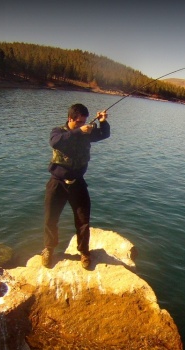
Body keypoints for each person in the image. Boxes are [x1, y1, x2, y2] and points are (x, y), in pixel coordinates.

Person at [41, 103, 110, 269]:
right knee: (51, 218)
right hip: (57, 183)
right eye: (78, 122)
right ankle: (49, 249)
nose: (82, 125)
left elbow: (104, 134)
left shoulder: (87, 133)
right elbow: (55, 142)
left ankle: (84, 252)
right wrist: (79, 131)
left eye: (83, 122)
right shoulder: (58, 132)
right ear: (70, 119)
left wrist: (103, 122)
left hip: (78, 183)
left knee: (83, 220)